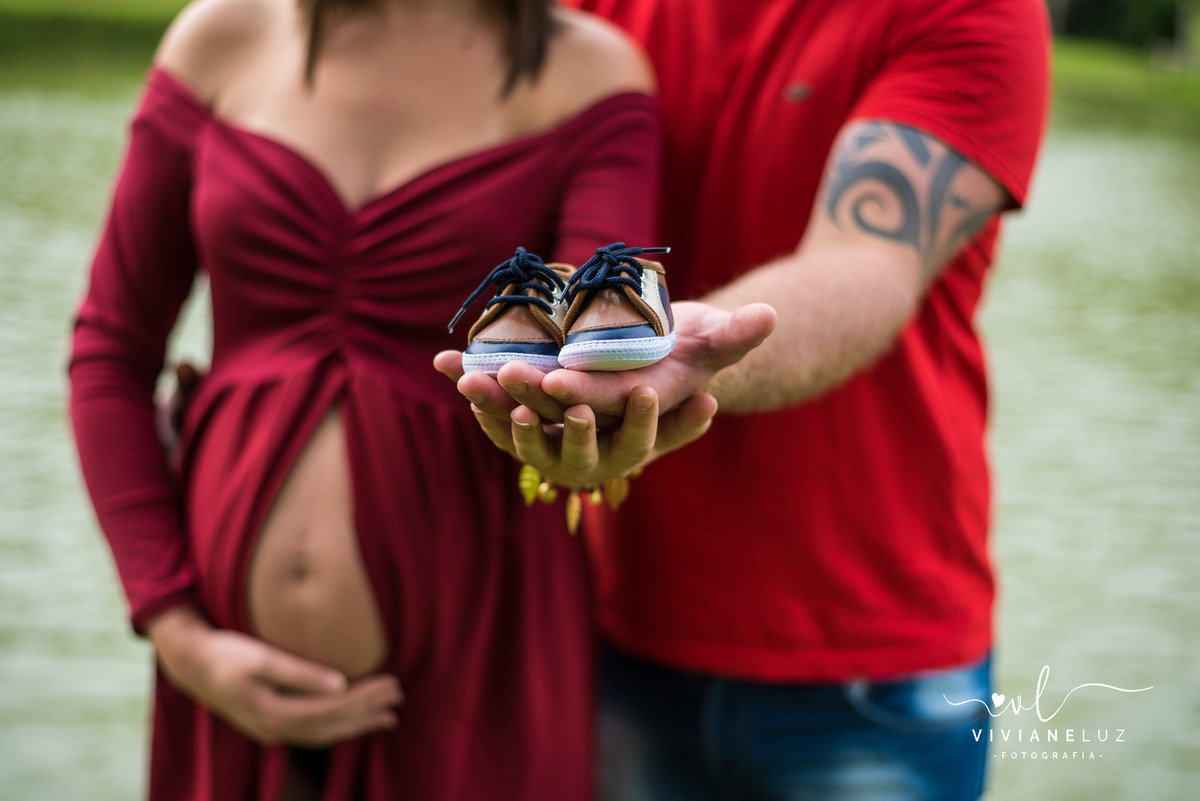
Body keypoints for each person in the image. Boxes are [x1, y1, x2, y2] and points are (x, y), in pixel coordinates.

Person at [67, 0, 766, 797]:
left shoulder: (588, 72)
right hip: (222, 680)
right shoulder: (217, 38)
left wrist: (596, 418)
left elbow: (595, 344)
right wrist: (176, 628)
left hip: (478, 656)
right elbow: (110, 353)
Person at [438, 0, 1051, 798]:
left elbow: (870, 259)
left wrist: (698, 352)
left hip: (873, 658)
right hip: (606, 626)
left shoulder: (974, 9)